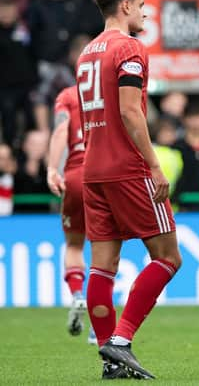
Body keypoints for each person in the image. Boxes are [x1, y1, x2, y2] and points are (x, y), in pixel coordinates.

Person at [77, 0, 182, 380]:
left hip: (93, 170)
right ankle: (120, 340)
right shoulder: (130, 48)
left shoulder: (87, 53)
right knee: (169, 257)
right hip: (127, 168)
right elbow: (129, 110)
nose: (144, 13)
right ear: (124, 7)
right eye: (141, 6)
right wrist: (155, 164)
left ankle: (110, 363)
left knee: (102, 268)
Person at [47, 85, 96, 345]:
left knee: (74, 244)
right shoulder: (110, 92)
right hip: (105, 174)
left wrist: (52, 168)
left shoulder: (66, 96)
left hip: (76, 175)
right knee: (106, 247)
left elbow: (60, 130)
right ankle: (101, 324)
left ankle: (78, 294)